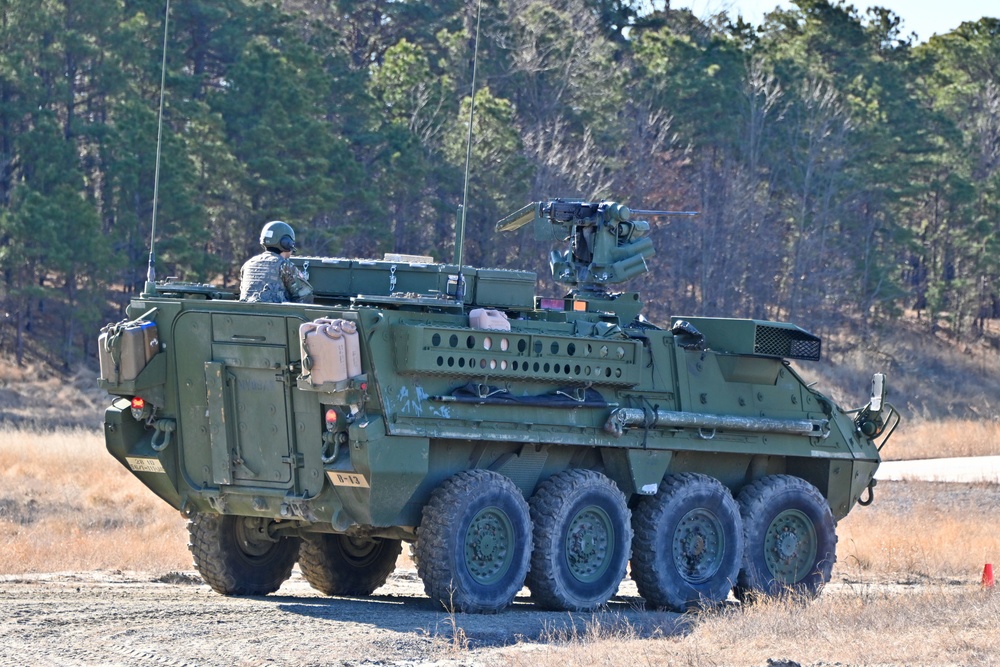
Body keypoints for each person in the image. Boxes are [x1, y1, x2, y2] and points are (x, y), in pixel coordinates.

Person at [239, 221, 314, 303]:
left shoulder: (248, 264)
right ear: (286, 243)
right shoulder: (285, 266)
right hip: (276, 315)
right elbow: (305, 296)